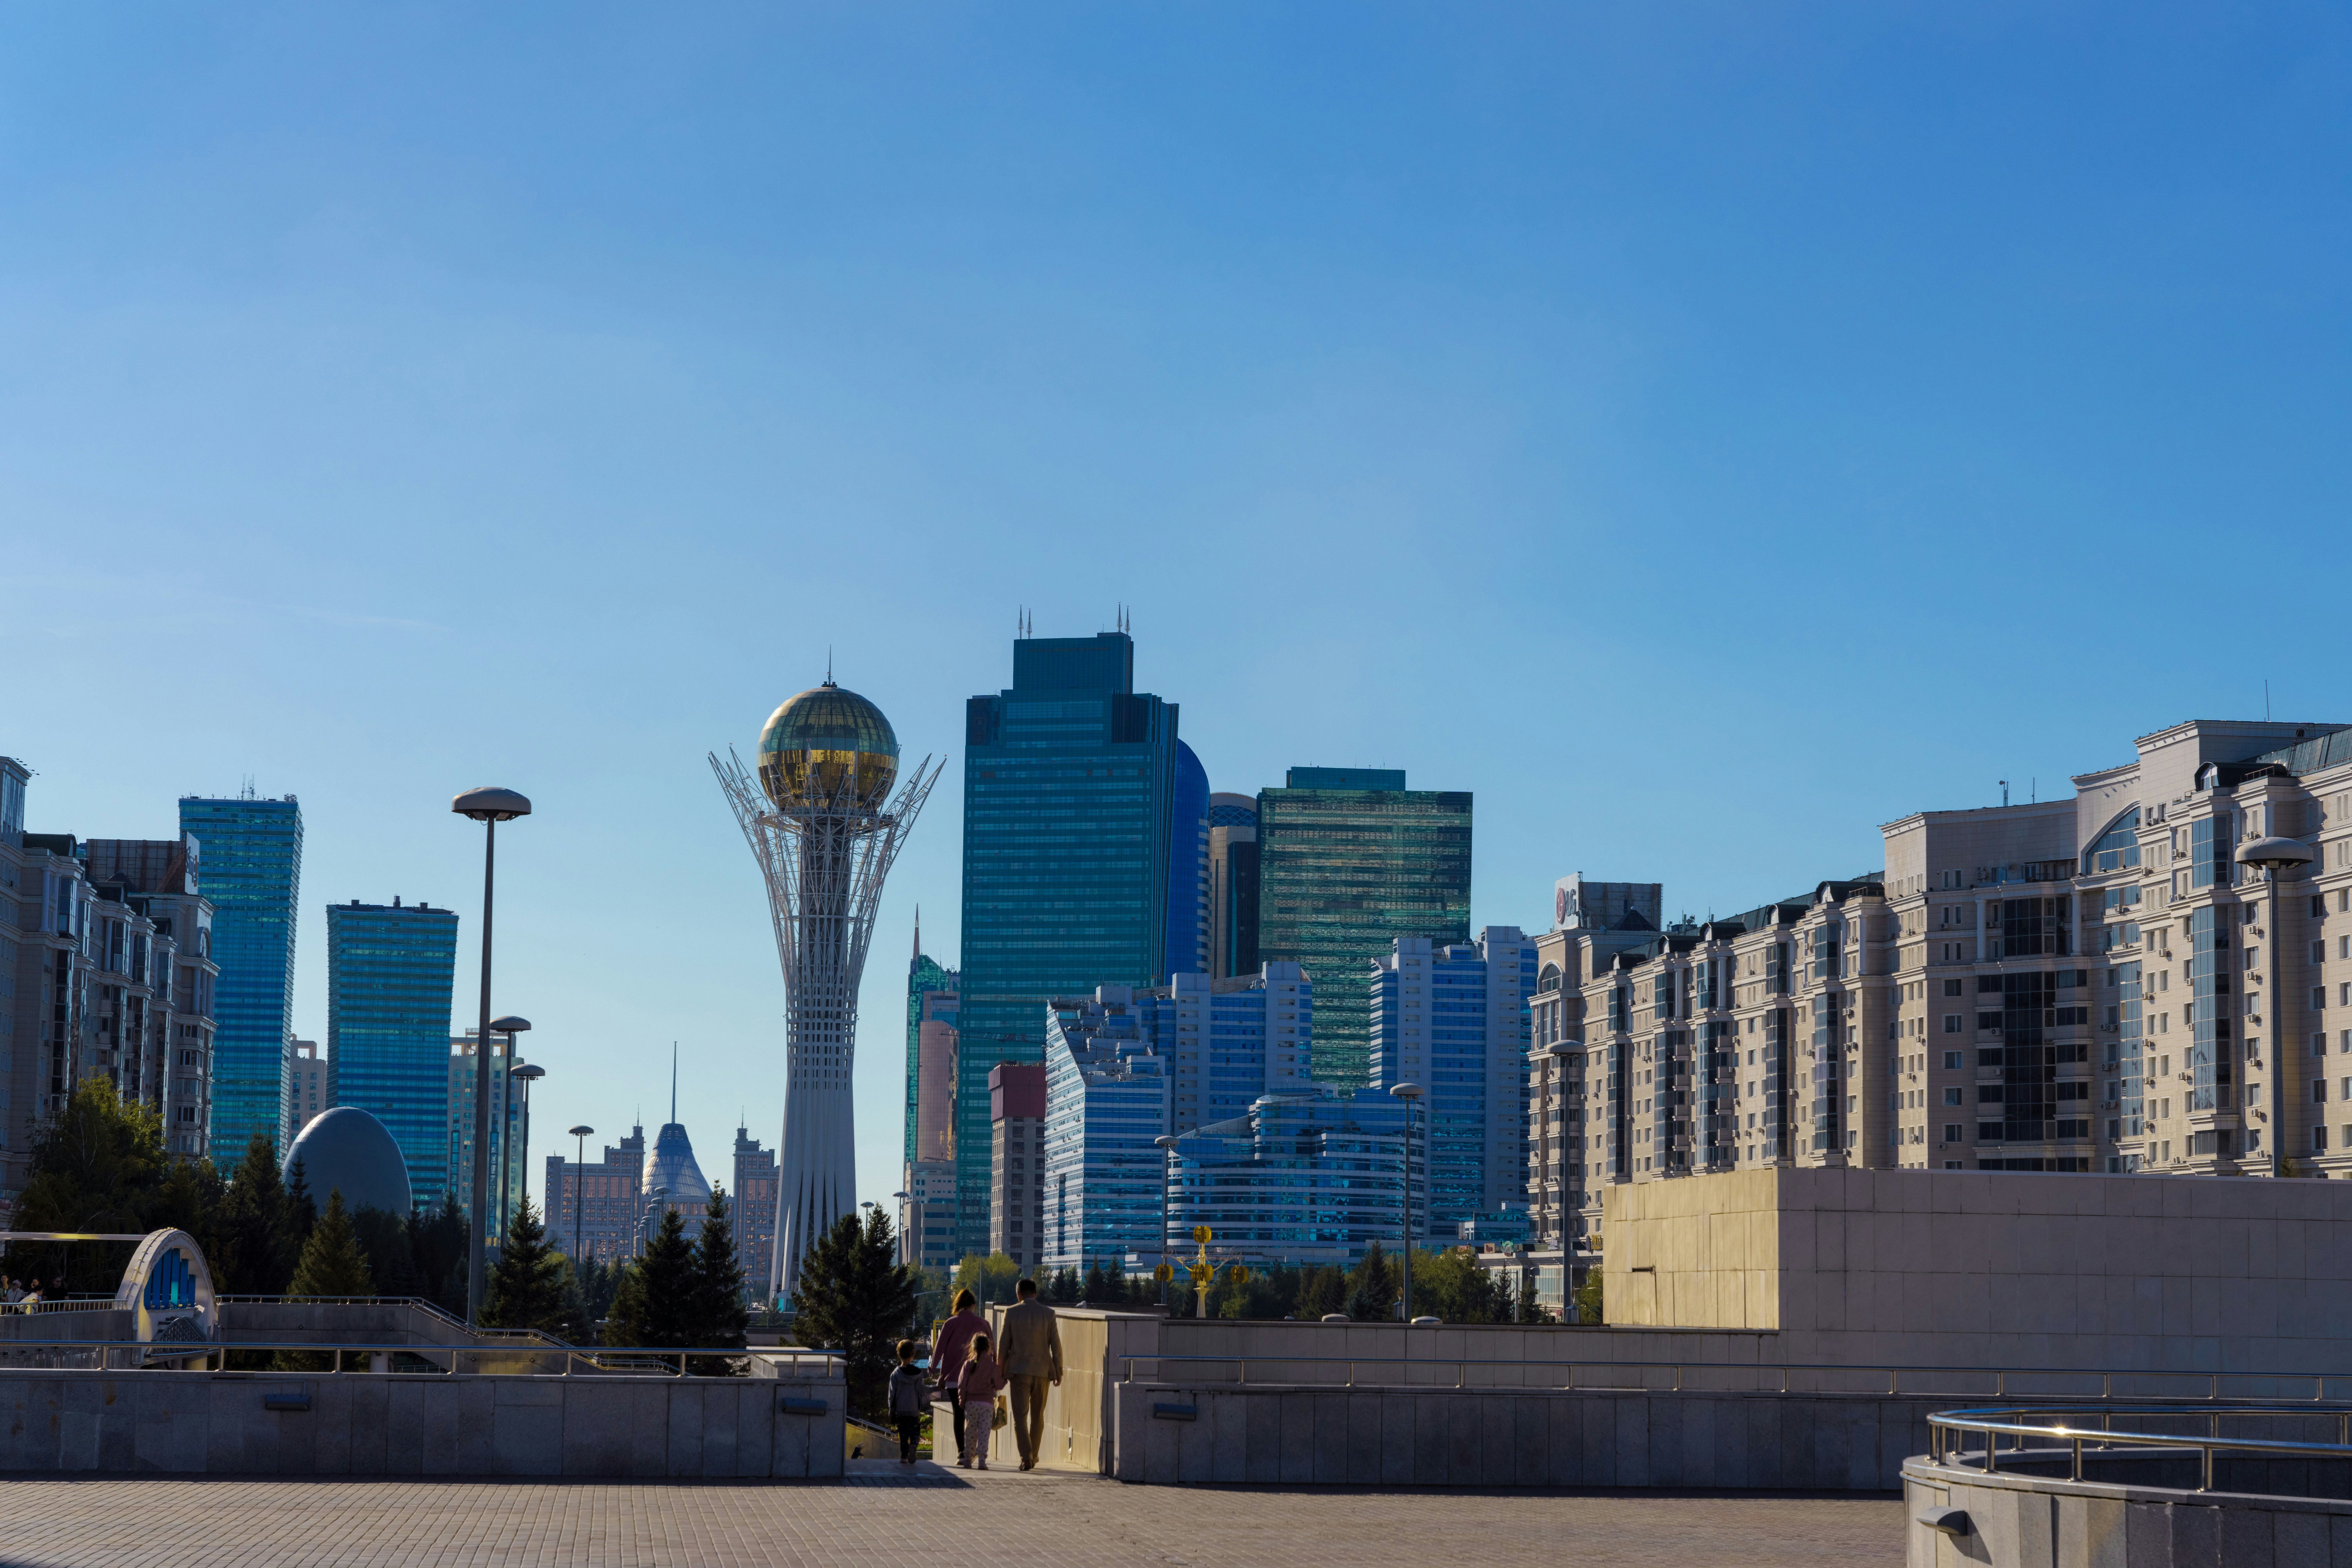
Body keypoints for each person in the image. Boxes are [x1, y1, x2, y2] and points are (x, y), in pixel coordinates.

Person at [996, 1276, 1064, 1471]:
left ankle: (1026, 1457)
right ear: (1035, 1294)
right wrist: (1059, 1371)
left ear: (1018, 1295)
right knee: (1038, 1417)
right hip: (1043, 1372)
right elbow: (1056, 1347)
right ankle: (1033, 1456)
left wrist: (1000, 1370)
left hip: (1018, 1372)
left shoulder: (1011, 1313)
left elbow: (1003, 1346)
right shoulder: (1049, 1314)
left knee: (1020, 1418)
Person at [929, 1289, 985, 1462]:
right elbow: (991, 1347)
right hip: (976, 1377)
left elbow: (939, 1348)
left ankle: (962, 1452)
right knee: (974, 1414)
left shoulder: (950, 1323)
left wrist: (933, 1367)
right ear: (973, 1306)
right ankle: (972, 1448)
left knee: (958, 1414)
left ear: (958, 1306)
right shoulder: (982, 1324)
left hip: (953, 1378)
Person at [957, 1330, 1003, 1470]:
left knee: (971, 1432)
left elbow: (962, 1385)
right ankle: (982, 1461)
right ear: (988, 1348)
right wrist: (1005, 1378)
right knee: (984, 1433)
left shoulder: (968, 1365)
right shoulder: (992, 1366)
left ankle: (967, 1459)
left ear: (973, 1347)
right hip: (987, 1405)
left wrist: (962, 1400)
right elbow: (999, 1385)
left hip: (971, 1404)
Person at [886, 1339, 927, 1465]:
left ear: (899, 1355)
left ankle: (904, 1457)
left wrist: (891, 1410)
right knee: (915, 1432)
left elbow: (892, 1394)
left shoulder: (895, 1374)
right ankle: (914, 1445)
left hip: (901, 1410)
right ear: (913, 1354)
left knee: (903, 1435)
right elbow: (922, 1390)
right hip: (914, 1410)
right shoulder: (918, 1373)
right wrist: (938, 1387)